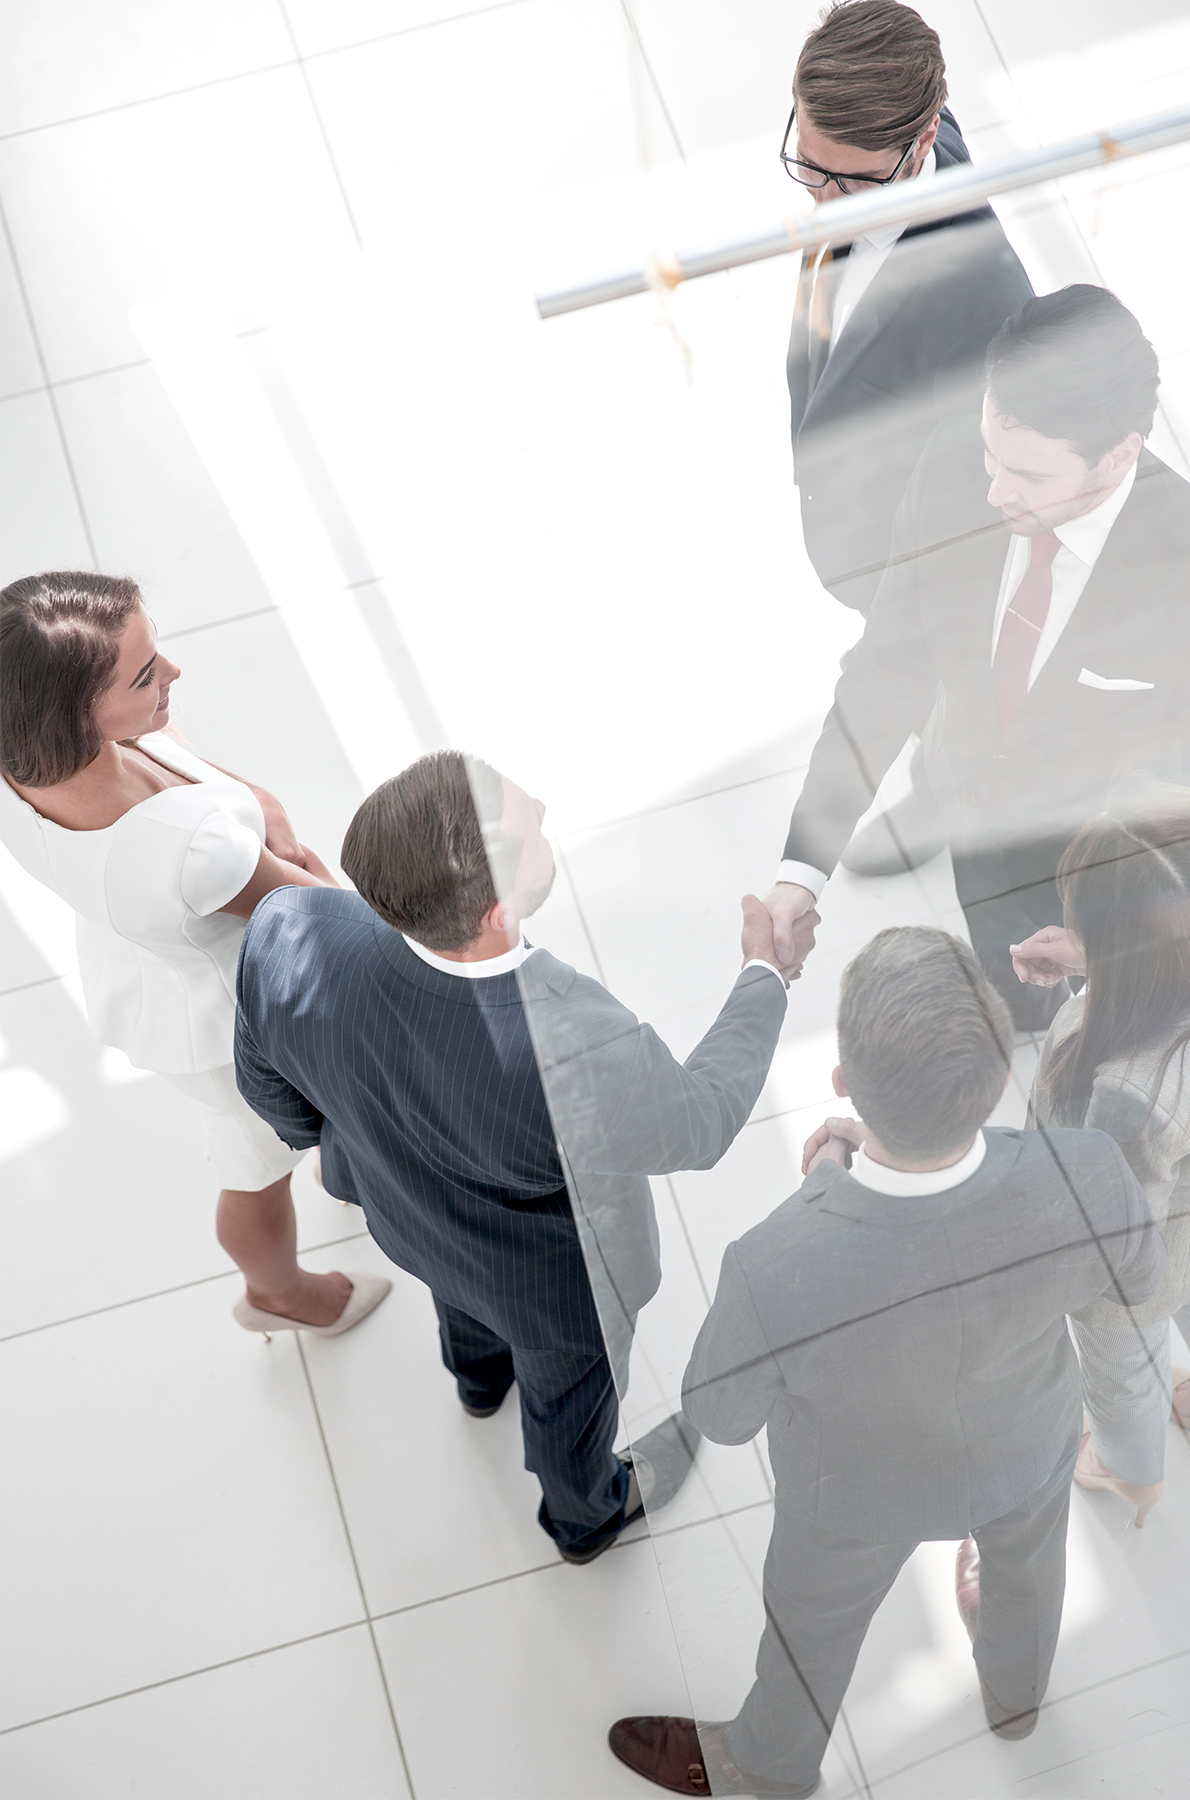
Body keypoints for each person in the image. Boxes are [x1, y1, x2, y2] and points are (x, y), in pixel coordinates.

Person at [609, 926, 1164, 1797]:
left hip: (847, 1503)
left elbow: (717, 1414)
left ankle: (768, 1765)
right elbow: (1136, 1281)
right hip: (1028, 1452)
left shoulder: (775, 1261)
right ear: (996, 1080)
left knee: (810, 1627)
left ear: (841, 1088)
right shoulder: (1088, 1173)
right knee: (1031, 1573)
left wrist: (824, 1195)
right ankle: (1015, 1696)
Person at [234, 751, 817, 1565]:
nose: (541, 803)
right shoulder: (576, 1044)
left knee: (459, 1291)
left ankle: (477, 1385)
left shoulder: (291, 929)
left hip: (405, 1216)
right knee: (570, 1398)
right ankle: (587, 1516)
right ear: (498, 914)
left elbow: (272, 1093)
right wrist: (768, 973)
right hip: (550, 1284)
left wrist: (355, 1139)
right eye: (524, 818)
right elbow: (703, 1122)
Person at [764, 285, 1190, 1029]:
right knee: (1015, 1002)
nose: (993, 490)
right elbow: (883, 674)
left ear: (1120, 453)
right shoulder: (951, 469)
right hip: (982, 849)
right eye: (992, 452)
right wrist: (801, 871)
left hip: (1123, 898)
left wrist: (1122, 944)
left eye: (1027, 476)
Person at [0, 571, 389, 1337]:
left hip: (155, 967)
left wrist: (262, 814)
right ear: (72, 718)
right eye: (145, 675)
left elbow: (182, 762)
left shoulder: (23, 756)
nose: (173, 673)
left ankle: (336, 1165)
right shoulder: (187, 850)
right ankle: (275, 1292)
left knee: (273, 1144)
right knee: (254, 1169)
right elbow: (321, 915)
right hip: (230, 1023)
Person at [784, 0, 1032, 617]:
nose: (825, 203)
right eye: (810, 169)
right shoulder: (879, 140)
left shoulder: (984, 311)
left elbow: (977, 517)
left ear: (920, 143)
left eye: (852, 184)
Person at [1013, 782, 1190, 1522]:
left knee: (1123, 1388)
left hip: (1128, 1282)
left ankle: (1130, 1470)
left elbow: (1100, 1230)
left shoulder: (1117, 1082)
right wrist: (1098, 964)